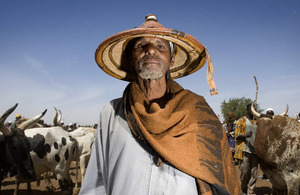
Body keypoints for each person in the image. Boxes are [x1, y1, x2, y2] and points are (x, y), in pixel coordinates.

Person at [80, 14, 239, 195]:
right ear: (131, 60)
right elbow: (96, 182)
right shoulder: (112, 112)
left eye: (160, 46)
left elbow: (220, 178)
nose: (151, 50)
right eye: (141, 46)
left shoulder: (197, 113)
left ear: (171, 60)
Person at [234, 104, 258, 195]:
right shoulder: (241, 121)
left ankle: (251, 191)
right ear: (247, 110)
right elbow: (236, 135)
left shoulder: (257, 122)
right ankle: (243, 188)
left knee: (254, 173)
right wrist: (245, 135)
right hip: (245, 150)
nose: (253, 111)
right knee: (245, 172)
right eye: (252, 109)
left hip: (255, 151)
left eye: (255, 109)